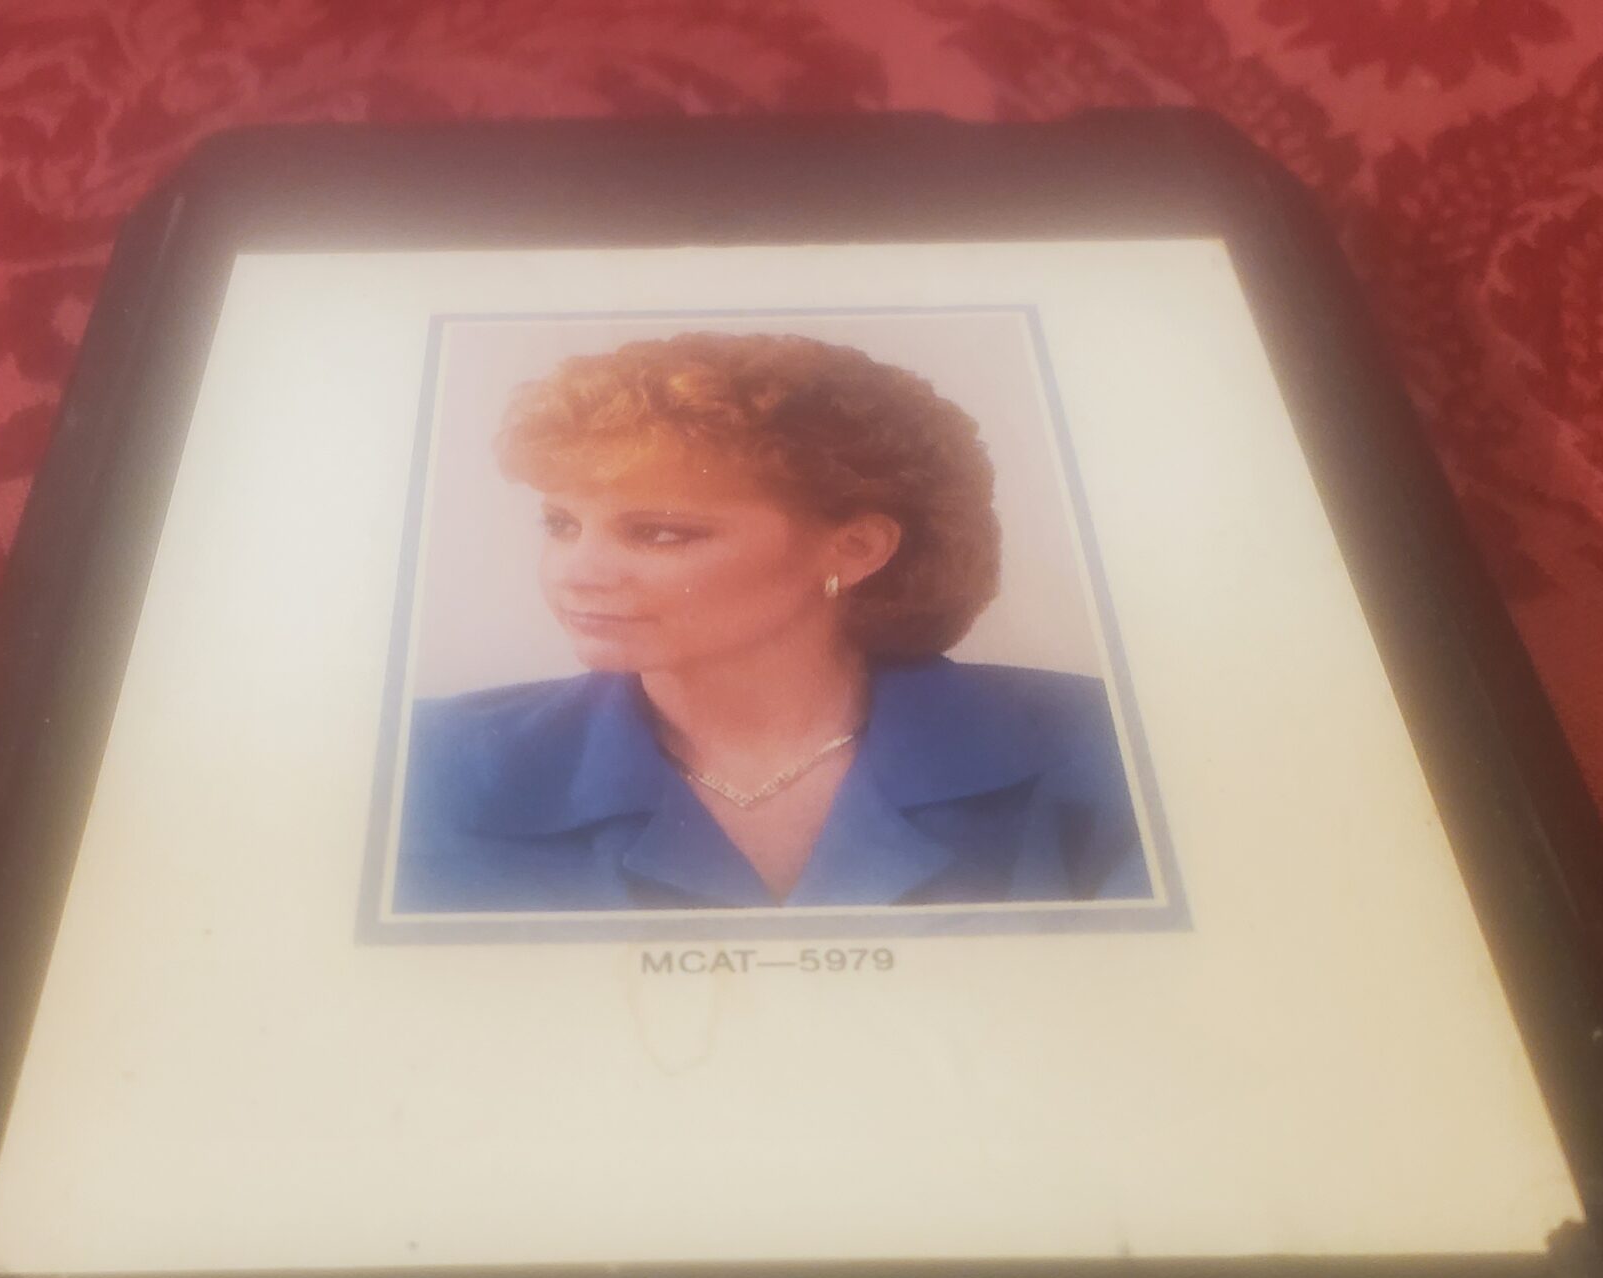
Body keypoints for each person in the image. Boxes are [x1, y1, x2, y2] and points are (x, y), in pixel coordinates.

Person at [393, 331, 1149, 912]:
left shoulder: (1097, 746)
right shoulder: (427, 766)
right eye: (561, 525)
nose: (577, 572)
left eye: (659, 532)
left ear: (856, 548)